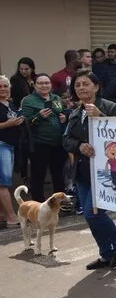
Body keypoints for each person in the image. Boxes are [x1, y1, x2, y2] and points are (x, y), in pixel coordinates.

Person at [62, 69, 116, 270]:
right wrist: (79, 146)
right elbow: (66, 139)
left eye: (85, 84)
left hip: (104, 172)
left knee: (94, 213)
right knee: (88, 213)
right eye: (77, 85)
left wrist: (100, 116)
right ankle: (105, 253)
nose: (81, 88)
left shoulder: (109, 107)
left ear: (96, 86)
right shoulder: (75, 112)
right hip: (82, 172)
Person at [21, 74, 66, 202]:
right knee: (38, 175)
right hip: (39, 144)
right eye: (40, 83)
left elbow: (62, 113)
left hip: (58, 143)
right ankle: (38, 204)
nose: (44, 85)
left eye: (47, 83)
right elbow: (25, 123)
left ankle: (60, 203)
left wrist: (63, 118)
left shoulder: (56, 98)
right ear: (34, 85)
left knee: (58, 175)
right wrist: (38, 116)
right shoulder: (28, 100)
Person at [0, 76, 23, 226]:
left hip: (11, 145)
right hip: (1, 145)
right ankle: (11, 216)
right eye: (0, 86)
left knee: (3, 182)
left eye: (5, 86)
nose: (2, 89)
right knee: (3, 183)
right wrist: (8, 124)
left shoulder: (11, 103)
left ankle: (3, 215)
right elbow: (7, 123)